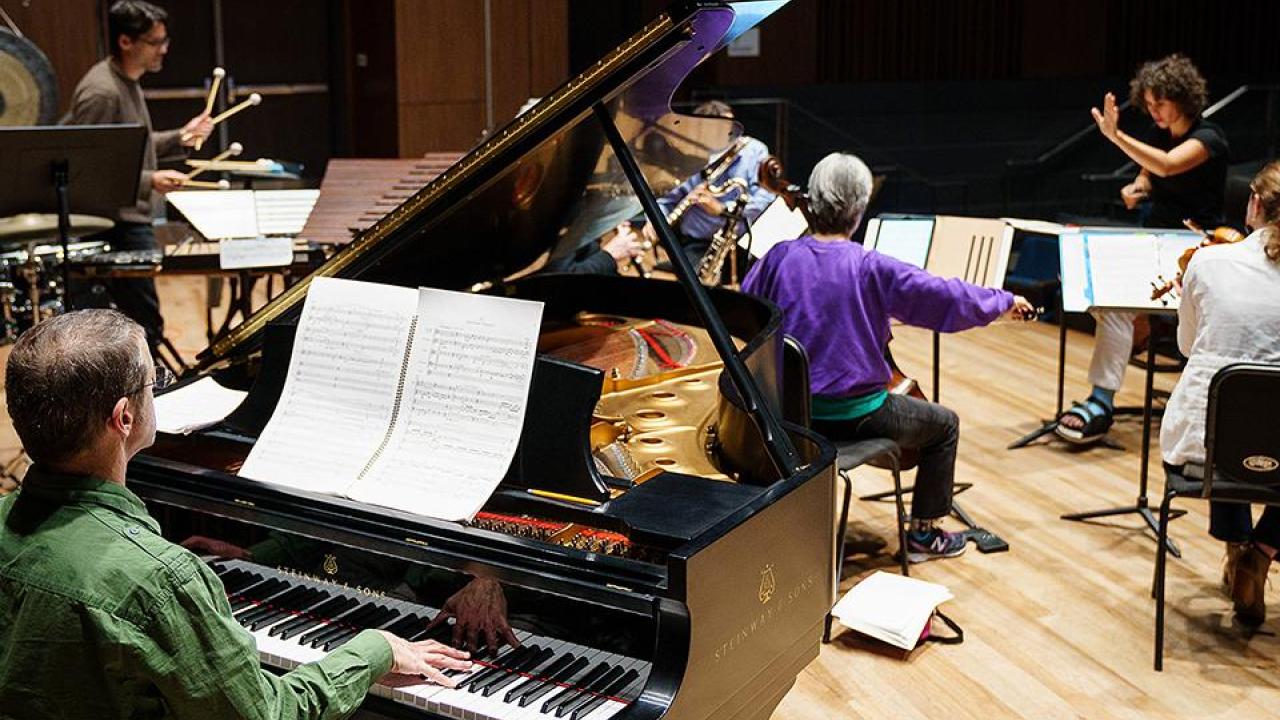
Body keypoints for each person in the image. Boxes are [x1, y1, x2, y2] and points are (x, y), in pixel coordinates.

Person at [0, 310, 472, 719]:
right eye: (155, 381)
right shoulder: (160, 580)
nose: (159, 391)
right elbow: (269, 714)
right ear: (124, 418)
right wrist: (375, 649)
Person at [741, 153, 1035, 563]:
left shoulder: (777, 257)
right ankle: (923, 536)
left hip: (788, 415)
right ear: (859, 211)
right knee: (944, 425)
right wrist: (1001, 302)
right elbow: (944, 295)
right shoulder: (870, 267)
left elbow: (745, 313)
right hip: (853, 415)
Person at [1058, 54, 1230, 444]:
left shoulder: (1209, 137)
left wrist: (1115, 136)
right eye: (1148, 104)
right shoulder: (1157, 136)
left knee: (1125, 309)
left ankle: (1195, 404)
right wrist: (1138, 189)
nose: (1153, 111)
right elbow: (1150, 174)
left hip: (1198, 249)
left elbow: (1168, 166)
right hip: (1156, 239)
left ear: (1182, 98)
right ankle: (1101, 400)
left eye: (1160, 103)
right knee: (1112, 304)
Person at [1160, 160, 1280, 625]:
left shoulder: (1209, 261)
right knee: (1263, 425)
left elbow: (1189, 347)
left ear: (1254, 204)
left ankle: (1236, 544)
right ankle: (1262, 551)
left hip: (1204, 449)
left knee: (1232, 419)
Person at [65, 1, 214, 351]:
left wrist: (180, 137)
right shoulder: (102, 93)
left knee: (146, 324)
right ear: (126, 42)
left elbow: (132, 148)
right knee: (143, 327)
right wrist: (151, 180)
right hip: (114, 225)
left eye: (164, 40)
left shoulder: (125, 81)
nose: (164, 49)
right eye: (155, 41)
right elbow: (89, 169)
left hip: (129, 218)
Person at [645, 100, 776, 274]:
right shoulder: (686, 154)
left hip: (743, 241)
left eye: (732, 129)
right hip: (700, 243)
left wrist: (723, 209)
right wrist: (654, 222)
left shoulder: (754, 151)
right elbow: (666, 199)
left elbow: (764, 200)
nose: (731, 136)